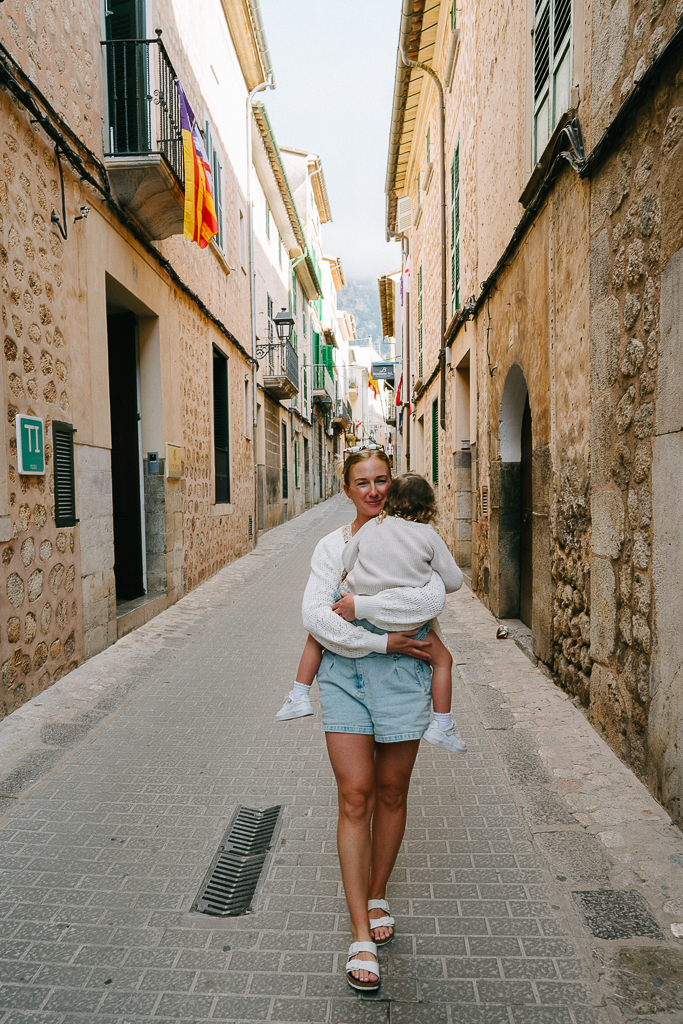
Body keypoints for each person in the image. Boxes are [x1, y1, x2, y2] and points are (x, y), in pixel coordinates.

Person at [281, 448, 457, 991]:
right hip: (344, 678)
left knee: (391, 792)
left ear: (392, 485)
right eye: (363, 482)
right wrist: (384, 635)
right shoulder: (333, 545)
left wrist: (365, 607)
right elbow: (316, 616)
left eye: (382, 480)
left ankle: (377, 893)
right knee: (355, 795)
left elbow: (431, 600)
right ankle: (360, 930)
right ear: (347, 488)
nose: (374, 490)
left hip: (405, 680)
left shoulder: (414, 534)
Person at [277, 472, 467, 754]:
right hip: (400, 623)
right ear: (429, 506)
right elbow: (454, 581)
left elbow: (348, 558)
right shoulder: (429, 534)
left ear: (390, 498)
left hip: (354, 608)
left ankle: (299, 694)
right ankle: (442, 724)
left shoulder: (372, 527)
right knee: (443, 661)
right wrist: (426, 574)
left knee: (316, 635)